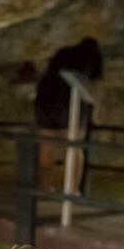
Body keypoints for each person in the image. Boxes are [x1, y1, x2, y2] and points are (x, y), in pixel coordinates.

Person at [34, 38, 104, 194]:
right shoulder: (94, 56)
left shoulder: (63, 53)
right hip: (70, 103)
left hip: (46, 100)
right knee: (74, 147)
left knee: (46, 145)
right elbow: (96, 87)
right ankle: (72, 189)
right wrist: (95, 115)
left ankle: (44, 187)